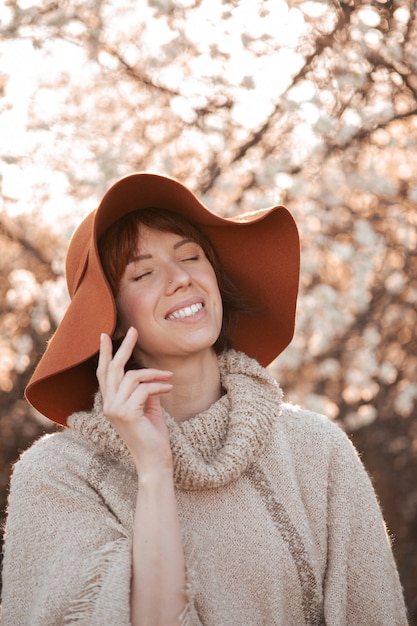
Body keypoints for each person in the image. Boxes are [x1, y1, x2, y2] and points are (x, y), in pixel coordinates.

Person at [1, 172, 408, 626]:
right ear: (109, 316)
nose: (179, 279)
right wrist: (155, 469)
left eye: (190, 256)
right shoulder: (60, 476)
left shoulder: (317, 450)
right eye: (143, 272)